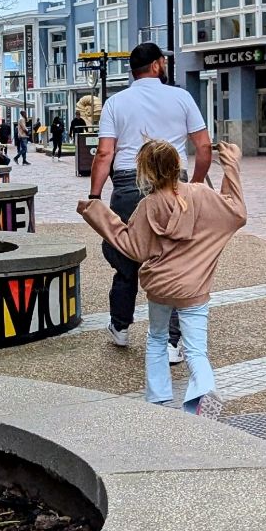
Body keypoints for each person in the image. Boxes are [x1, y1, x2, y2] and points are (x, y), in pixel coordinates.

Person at [80, 140, 244, 415]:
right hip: (194, 287)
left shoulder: (149, 205)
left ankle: (158, 399)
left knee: (157, 337)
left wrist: (96, 212)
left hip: (161, 286)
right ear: (177, 165)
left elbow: (134, 248)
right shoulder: (201, 194)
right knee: (196, 351)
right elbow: (234, 212)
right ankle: (203, 394)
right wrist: (231, 166)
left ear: (145, 171)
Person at [88, 42, 212, 352]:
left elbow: (104, 153)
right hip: (173, 182)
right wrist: (195, 185)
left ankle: (120, 326)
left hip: (128, 182)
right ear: (156, 65)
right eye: (163, 62)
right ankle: (171, 341)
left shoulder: (115, 103)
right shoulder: (181, 98)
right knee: (174, 258)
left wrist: (94, 195)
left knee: (127, 256)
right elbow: (204, 146)